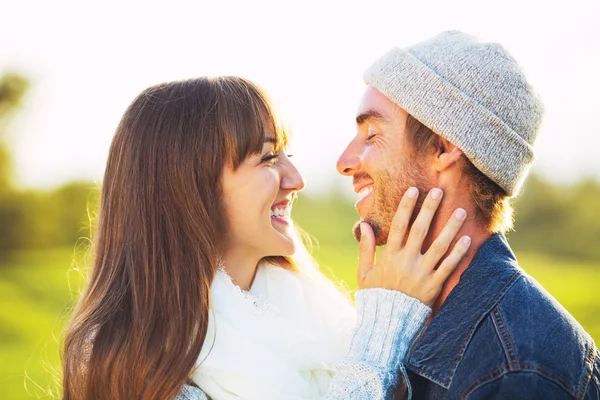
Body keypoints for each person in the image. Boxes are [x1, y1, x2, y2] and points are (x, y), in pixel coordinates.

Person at [62, 76, 472, 400]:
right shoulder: (134, 367)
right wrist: (383, 331)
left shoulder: (313, 311)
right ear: (189, 187)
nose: (296, 180)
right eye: (267, 158)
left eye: (287, 156)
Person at [337, 31, 600, 399]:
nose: (344, 162)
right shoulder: (415, 320)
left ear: (443, 148)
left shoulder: (516, 371)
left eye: (372, 134)